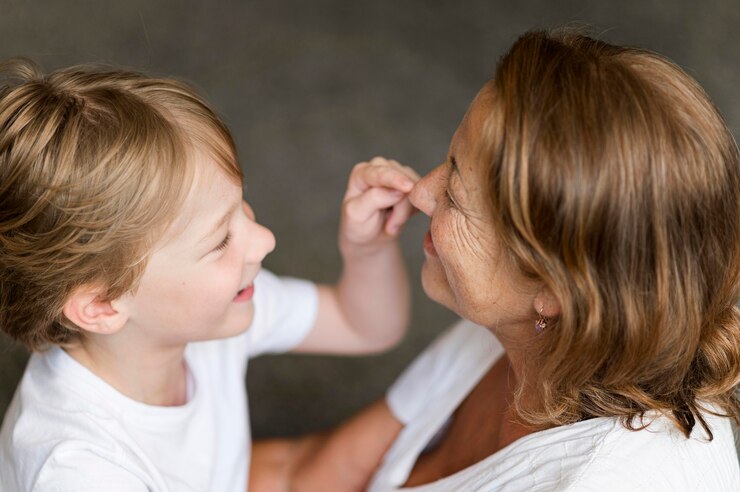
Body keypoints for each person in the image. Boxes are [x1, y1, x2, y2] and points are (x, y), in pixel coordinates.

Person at [250, 29, 740, 491]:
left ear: (555, 290)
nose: (420, 191)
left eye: (456, 195)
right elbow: (305, 473)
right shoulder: (524, 328)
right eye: (451, 156)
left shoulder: (605, 480)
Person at [0, 59, 419, 491]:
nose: (264, 240)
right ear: (102, 305)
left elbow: (364, 326)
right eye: (220, 240)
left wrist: (368, 251)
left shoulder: (219, 310)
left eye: (243, 206)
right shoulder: (79, 470)